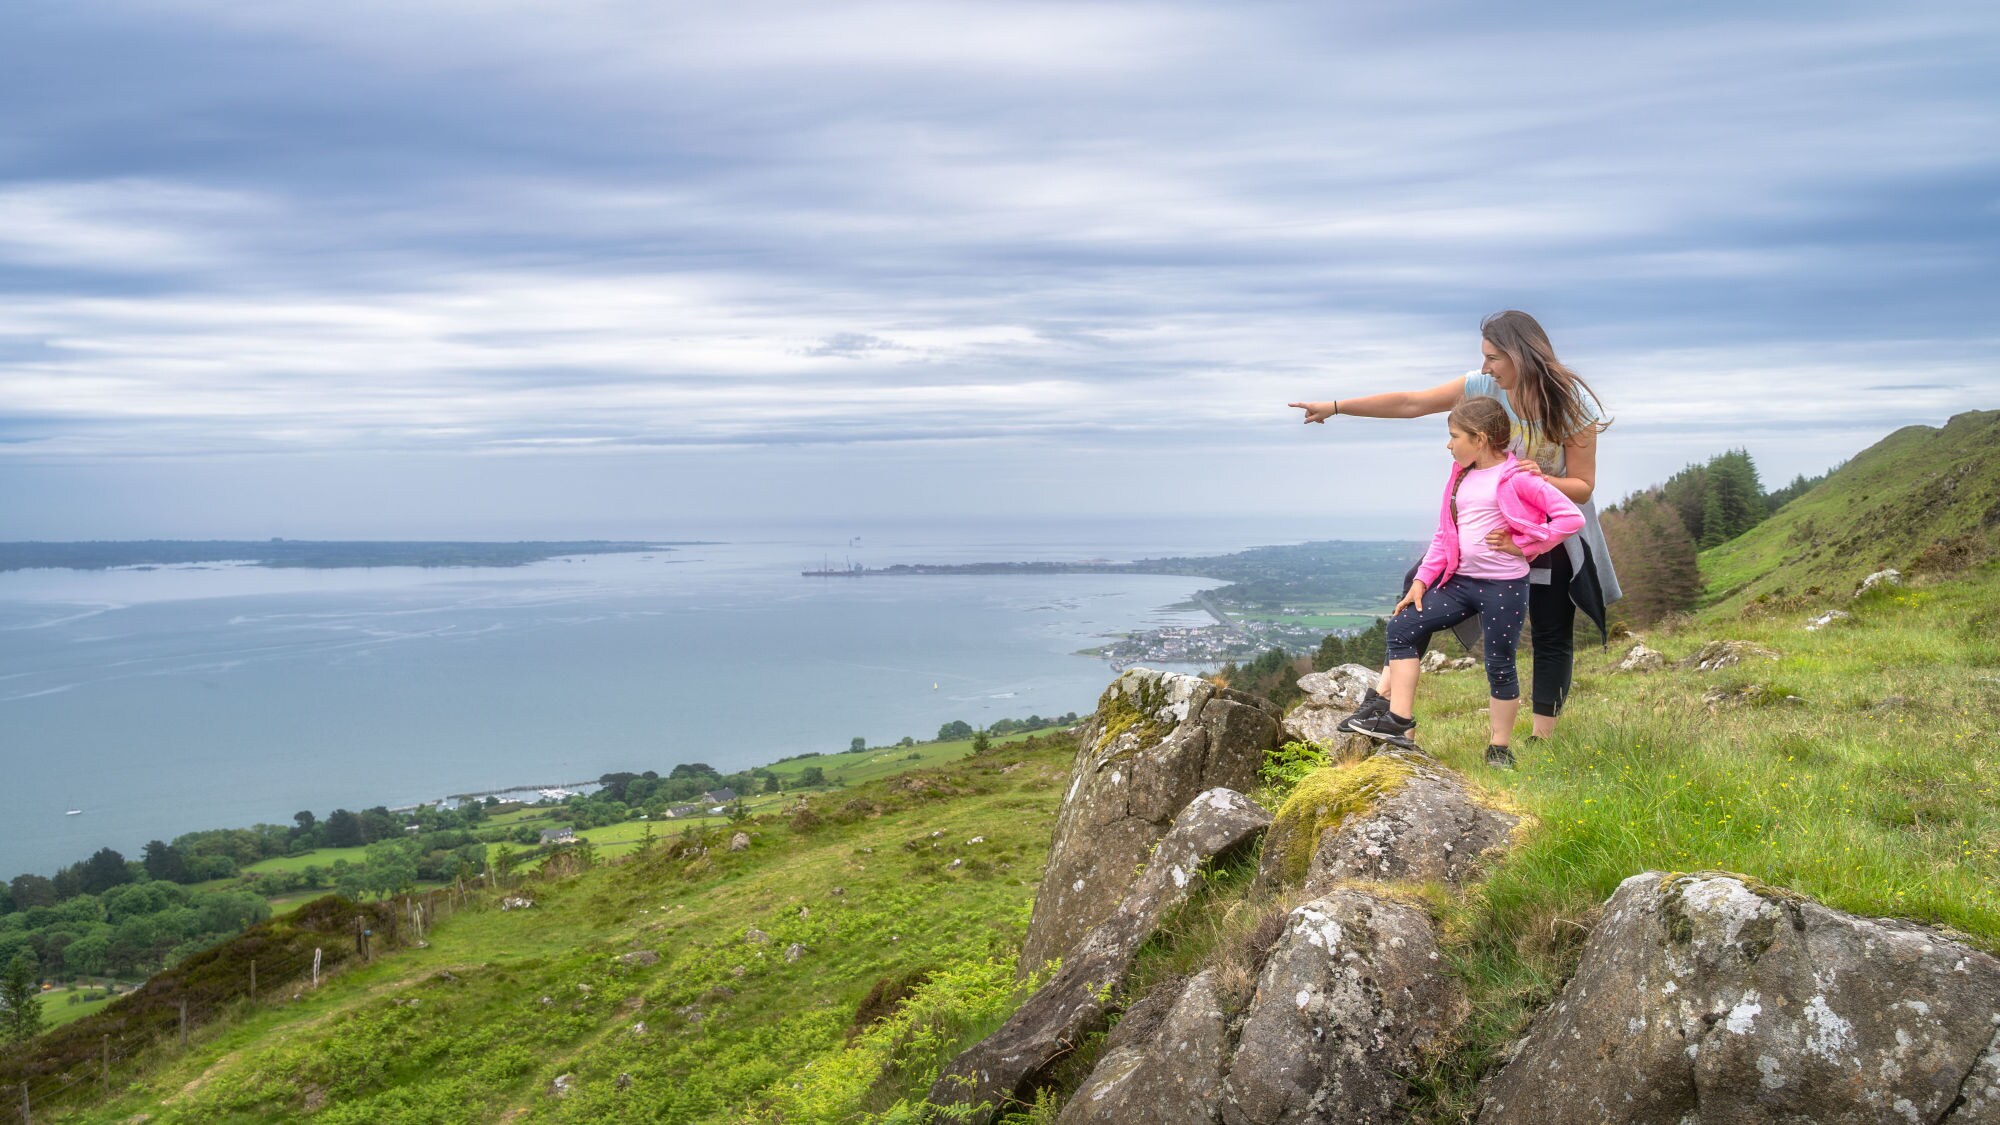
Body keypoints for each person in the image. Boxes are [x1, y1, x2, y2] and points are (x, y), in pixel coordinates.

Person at [1289, 310, 1618, 739]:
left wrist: (1534, 479)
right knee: (1417, 583)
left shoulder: (1571, 403)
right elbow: (1412, 403)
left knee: (1551, 626)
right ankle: (1385, 707)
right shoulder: (1483, 387)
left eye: (1494, 358)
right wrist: (1336, 407)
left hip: (1546, 531)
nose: (1485, 368)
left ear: (1521, 354)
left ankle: (1542, 741)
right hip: (1481, 527)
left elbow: (1582, 487)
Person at [1338, 398, 1583, 765]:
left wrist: (1524, 546)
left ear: (1480, 438)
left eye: (1454, 437)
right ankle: (1399, 721)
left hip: (1504, 587)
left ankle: (1499, 748)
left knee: (1499, 663)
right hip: (1459, 582)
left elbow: (1570, 518)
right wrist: (1421, 581)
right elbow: (1443, 535)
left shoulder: (1518, 479)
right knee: (1402, 627)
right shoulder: (1460, 475)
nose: (1449, 444)